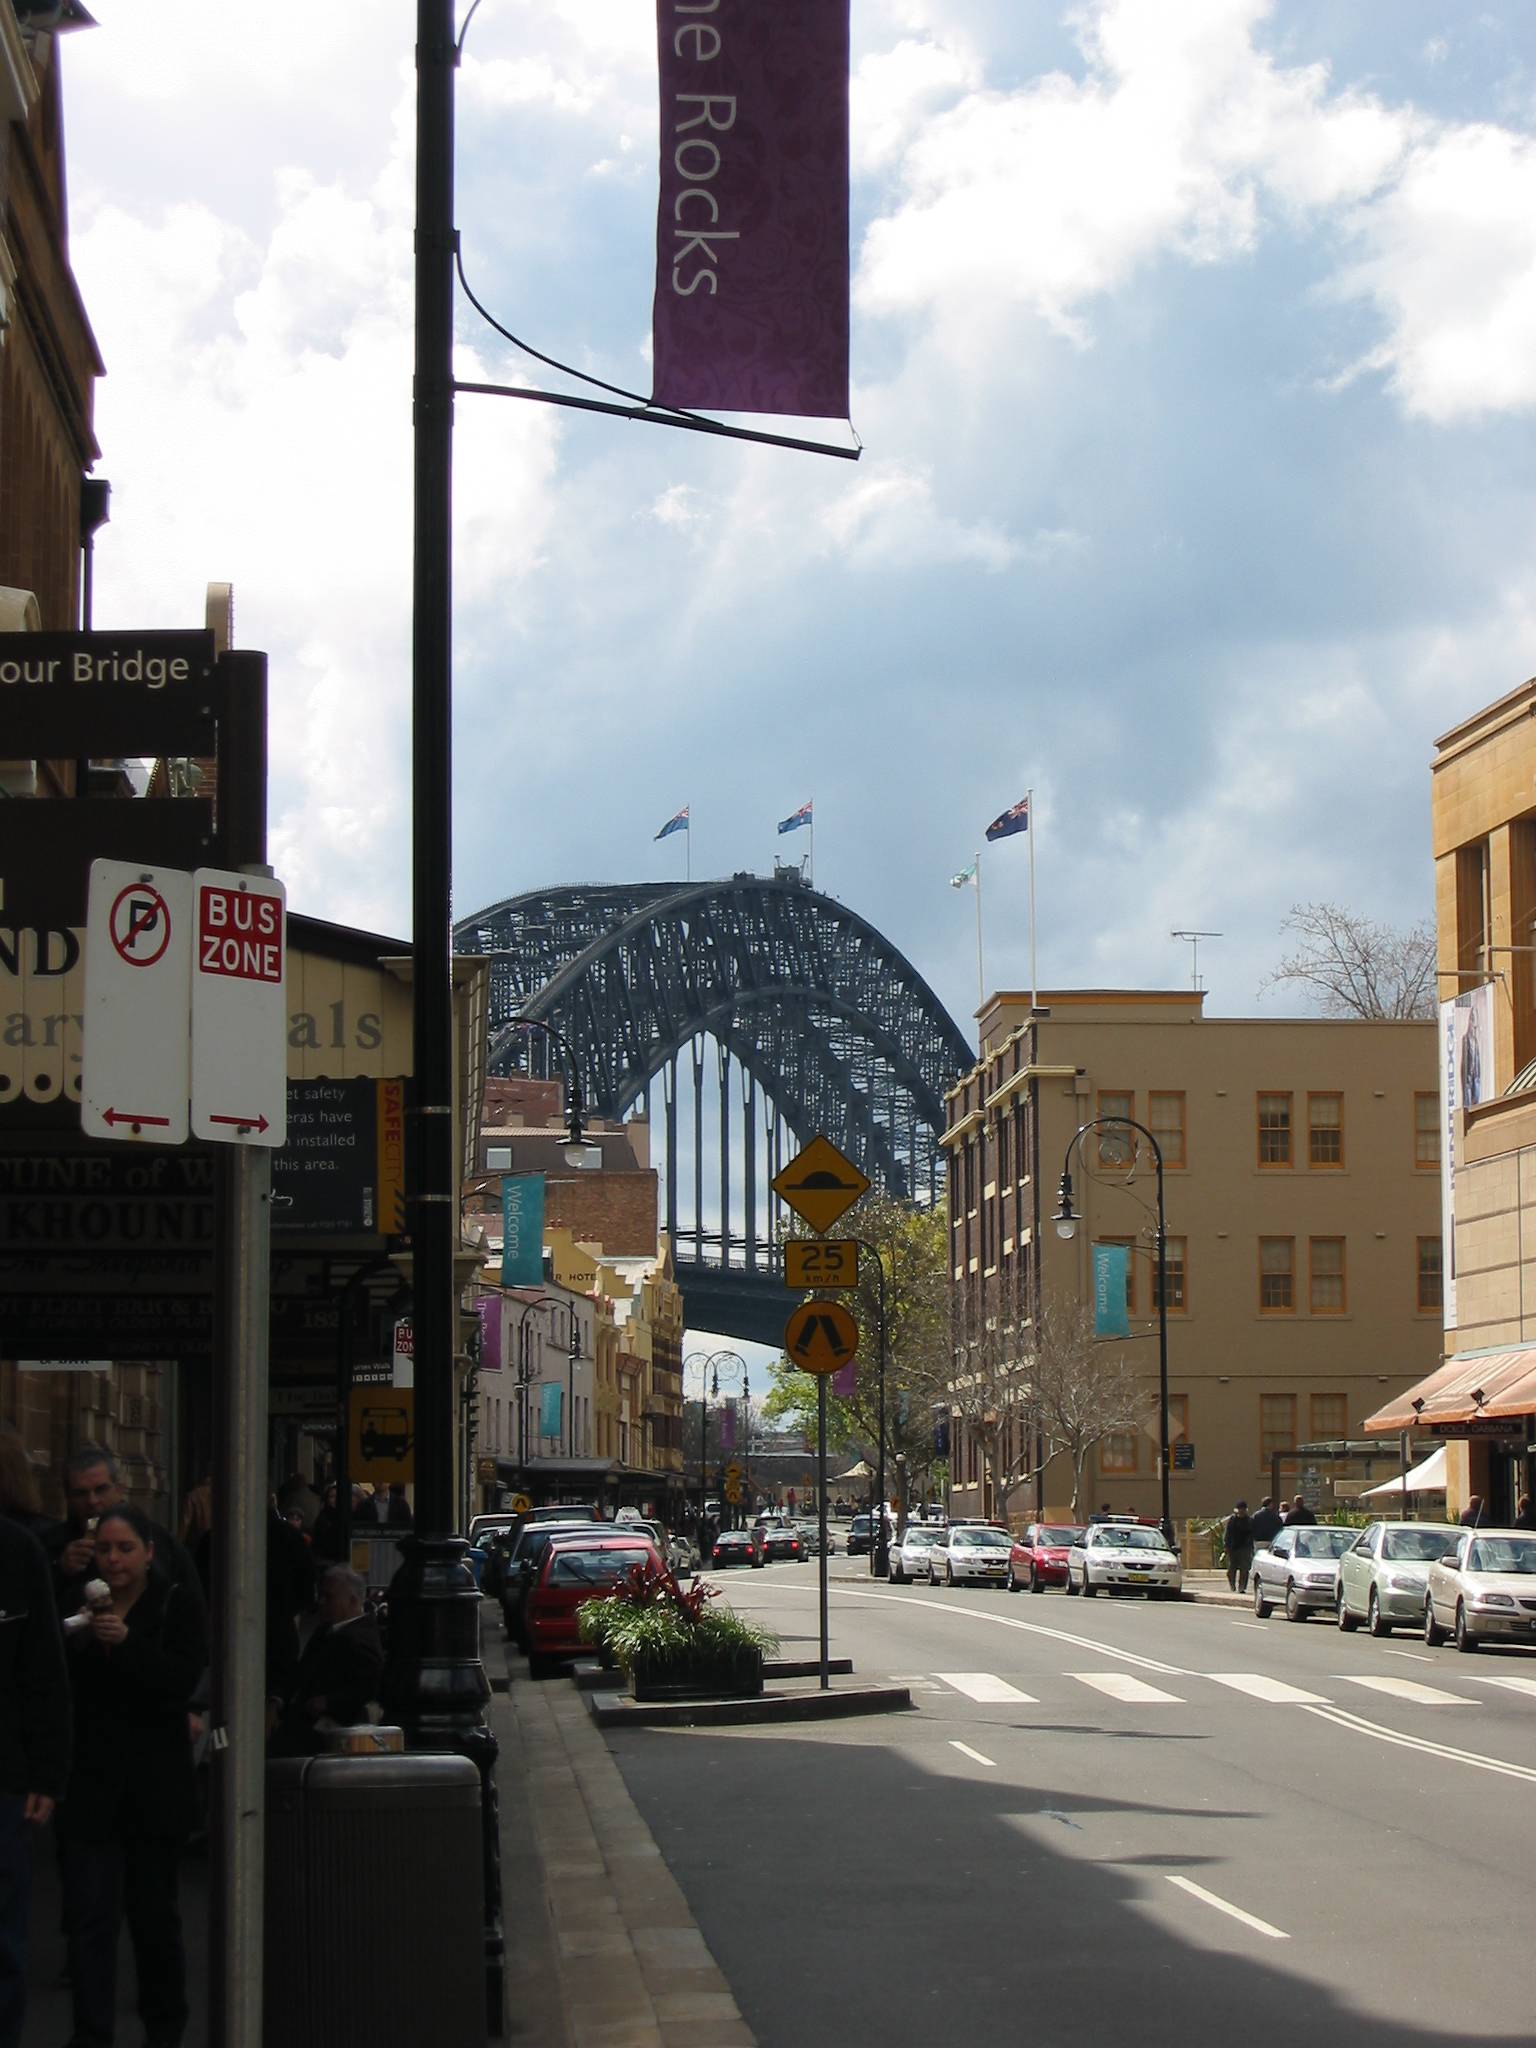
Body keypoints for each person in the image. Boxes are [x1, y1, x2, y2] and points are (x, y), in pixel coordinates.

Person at [56, 1503, 207, 2048]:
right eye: (105, 1549)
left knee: (153, 1919)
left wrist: (128, 1645)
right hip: (92, 1787)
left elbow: (181, 1679)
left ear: (148, 1553)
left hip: (152, 1787)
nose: (114, 1560)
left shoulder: (174, 1604)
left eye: (125, 1549)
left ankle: (164, 2028)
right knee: (90, 1922)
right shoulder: (77, 1604)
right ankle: (89, 2033)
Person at [0, 1513, 70, 2048]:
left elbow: (43, 1670)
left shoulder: (17, 1553)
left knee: (4, 1942)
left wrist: (46, 1772)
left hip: (4, 1778)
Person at [45, 1445, 204, 1622]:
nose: (92, 1501)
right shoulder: (53, 1544)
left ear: (119, 1489)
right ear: (68, 1497)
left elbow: (189, 1604)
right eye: (81, 1493)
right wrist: (60, 1569)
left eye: (101, 1490)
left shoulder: (158, 1540)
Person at [272, 1564, 385, 1755]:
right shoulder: (325, 1631)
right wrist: (278, 1699)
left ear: (352, 1600)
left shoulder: (359, 1639)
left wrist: (330, 1702)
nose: (322, 1602)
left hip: (323, 1733)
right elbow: (300, 1672)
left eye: (329, 1597)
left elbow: (370, 1686)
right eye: (321, 1596)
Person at [1223, 1500, 1255, 1593]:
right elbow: (1227, 1533)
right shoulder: (1232, 1520)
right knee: (1231, 1569)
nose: (1241, 1511)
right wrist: (1226, 1545)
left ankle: (1242, 1587)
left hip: (1245, 1548)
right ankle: (1232, 1586)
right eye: (1240, 1509)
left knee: (1244, 1569)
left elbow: (1252, 1533)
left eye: (1243, 1510)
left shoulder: (1249, 1521)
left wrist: (1250, 1546)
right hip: (1233, 1548)